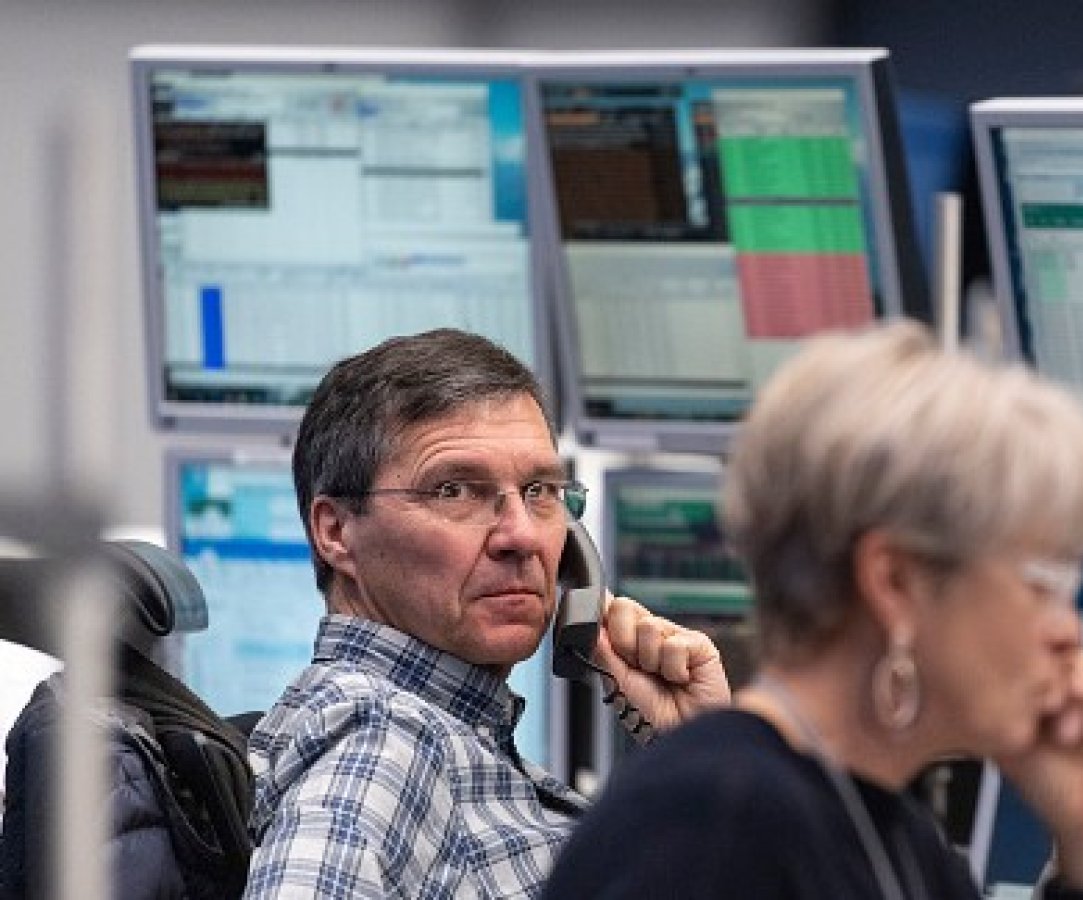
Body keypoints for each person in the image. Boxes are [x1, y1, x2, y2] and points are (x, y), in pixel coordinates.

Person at [546, 320, 1083, 900]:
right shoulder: (708, 828)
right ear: (894, 582)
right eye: (1044, 585)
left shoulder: (898, 839)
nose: (1070, 631)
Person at [243, 329, 731, 898]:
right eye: (454, 491)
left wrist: (701, 753)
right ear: (336, 532)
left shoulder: (459, 738)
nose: (522, 536)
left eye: (540, 490)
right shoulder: (380, 741)